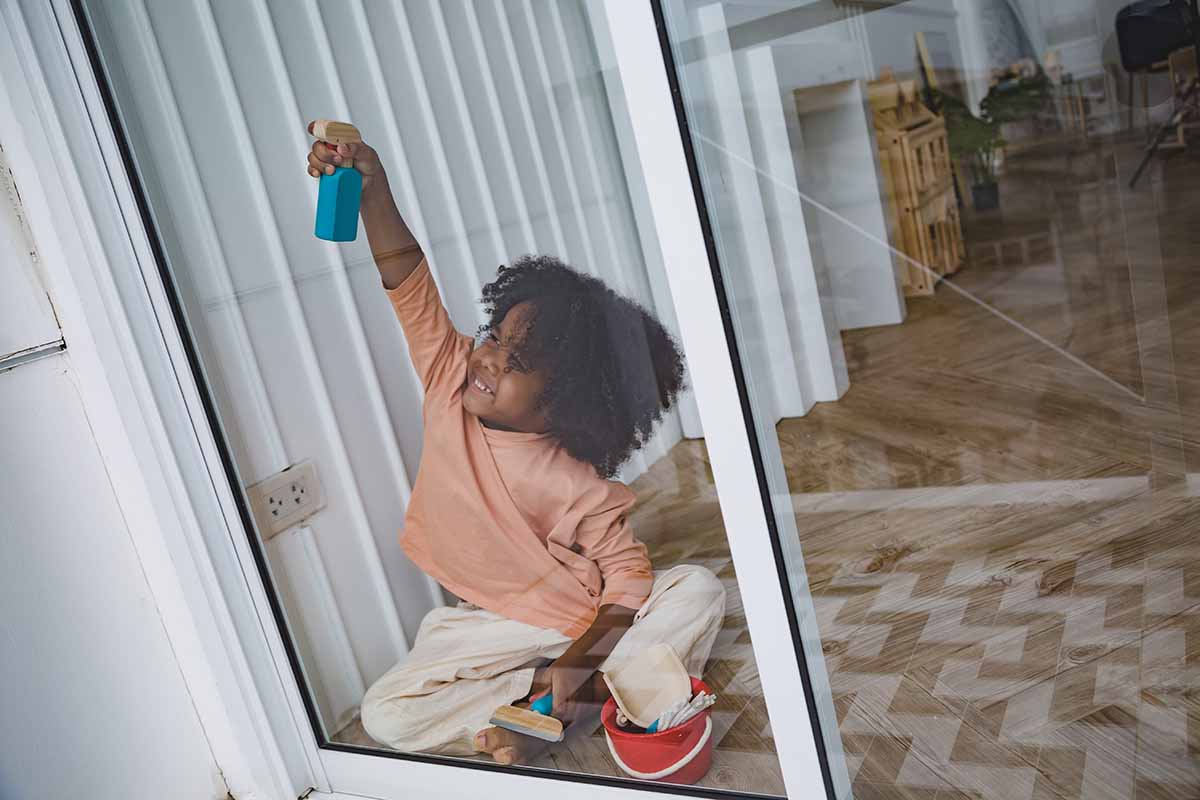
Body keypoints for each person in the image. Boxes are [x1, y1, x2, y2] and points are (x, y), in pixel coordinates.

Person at [306, 127, 725, 766]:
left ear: (567, 405)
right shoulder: (449, 380)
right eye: (494, 336)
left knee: (696, 588)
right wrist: (373, 191)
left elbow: (630, 575)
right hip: (490, 624)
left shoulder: (574, 479)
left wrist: (585, 654)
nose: (489, 358)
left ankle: (585, 695)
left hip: (579, 620)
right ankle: (547, 704)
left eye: (517, 359)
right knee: (386, 713)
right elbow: (408, 281)